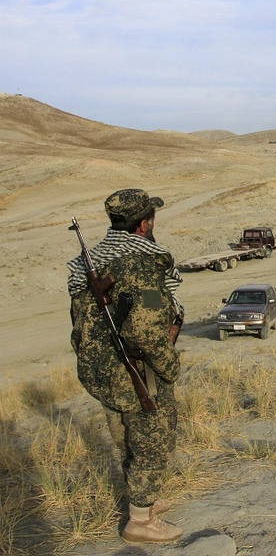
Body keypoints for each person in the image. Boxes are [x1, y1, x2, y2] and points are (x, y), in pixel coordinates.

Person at [67, 189, 184, 543]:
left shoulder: (91, 262)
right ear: (145, 224)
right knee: (152, 443)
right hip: (139, 373)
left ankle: (143, 500)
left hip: (104, 371)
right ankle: (140, 522)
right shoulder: (142, 264)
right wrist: (171, 366)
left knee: (126, 439)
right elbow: (146, 330)